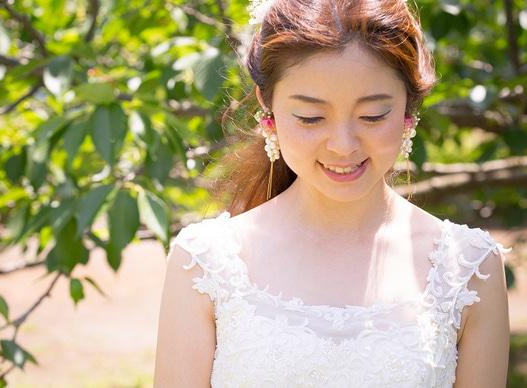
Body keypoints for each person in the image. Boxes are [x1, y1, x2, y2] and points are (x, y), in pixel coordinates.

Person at [154, 0, 510, 386]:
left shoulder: (468, 268)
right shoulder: (205, 262)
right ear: (267, 105)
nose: (343, 145)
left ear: (409, 106)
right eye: (310, 118)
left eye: (373, 115)